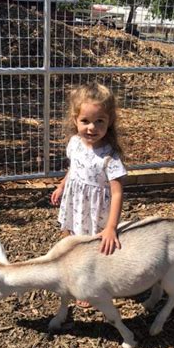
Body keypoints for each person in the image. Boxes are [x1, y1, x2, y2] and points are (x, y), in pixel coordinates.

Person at [51, 83, 127, 306]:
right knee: (71, 236)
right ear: (75, 120)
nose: (91, 128)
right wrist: (62, 185)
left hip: (95, 210)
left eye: (99, 121)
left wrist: (111, 227)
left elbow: (117, 193)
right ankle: (69, 271)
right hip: (75, 202)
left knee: (91, 249)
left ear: (109, 121)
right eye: (85, 121)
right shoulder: (75, 143)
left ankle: (88, 287)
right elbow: (74, 167)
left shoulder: (110, 157)